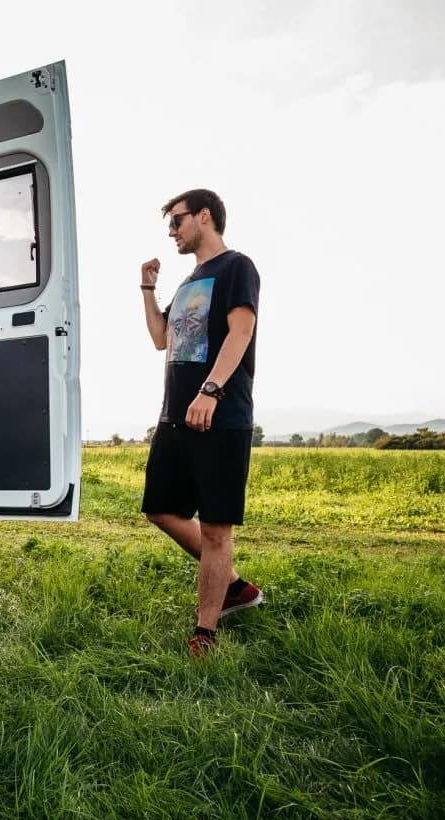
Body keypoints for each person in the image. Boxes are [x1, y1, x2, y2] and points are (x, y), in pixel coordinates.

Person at [138, 188, 265, 657]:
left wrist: (210, 391)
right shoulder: (191, 280)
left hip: (220, 415)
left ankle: (206, 633)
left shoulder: (237, 267)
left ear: (204, 216)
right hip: (174, 416)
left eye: (177, 221)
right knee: (160, 509)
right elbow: (160, 338)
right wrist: (148, 289)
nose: (172, 231)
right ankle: (233, 585)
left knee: (216, 529)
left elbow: (242, 331)